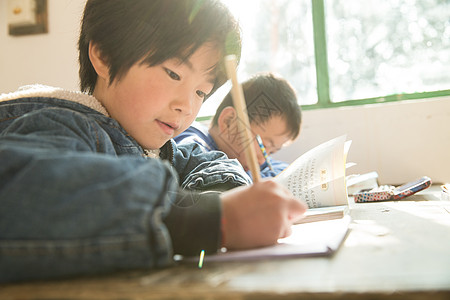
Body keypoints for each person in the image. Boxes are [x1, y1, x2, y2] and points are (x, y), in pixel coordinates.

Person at [0, 0, 306, 283]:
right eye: (173, 73)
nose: (187, 105)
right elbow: (21, 197)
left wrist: (228, 197)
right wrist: (208, 220)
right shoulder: (60, 124)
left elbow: (210, 164)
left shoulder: (160, 149)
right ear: (104, 55)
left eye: (201, 92)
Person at [174, 73, 302, 179]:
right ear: (229, 122)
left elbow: (283, 170)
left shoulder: (246, 160)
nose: (263, 160)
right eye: (264, 146)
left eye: (271, 152)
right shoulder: (193, 143)